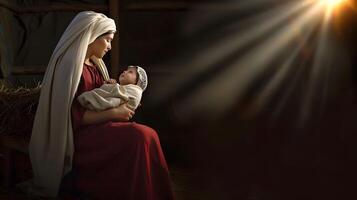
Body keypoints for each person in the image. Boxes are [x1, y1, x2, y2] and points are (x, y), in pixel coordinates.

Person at [27, 11, 174, 199]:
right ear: (92, 37)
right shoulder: (70, 66)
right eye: (107, 40)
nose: (110, 47)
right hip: (77, 137)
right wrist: (114, 113)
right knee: (139, 136)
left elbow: (101, 98)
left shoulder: (96, 65)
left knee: (149, 134)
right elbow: (70, 116)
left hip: (98, 127)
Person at [77, 65, 147, 111]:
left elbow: (115, 97)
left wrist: (111, 86)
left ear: (136, 83)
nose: (124, 71)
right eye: (126, 70)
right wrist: (110, 85)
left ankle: (87, 100)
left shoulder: (134, 91)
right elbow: (108, 93)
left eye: (130, 72)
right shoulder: (118, 87)